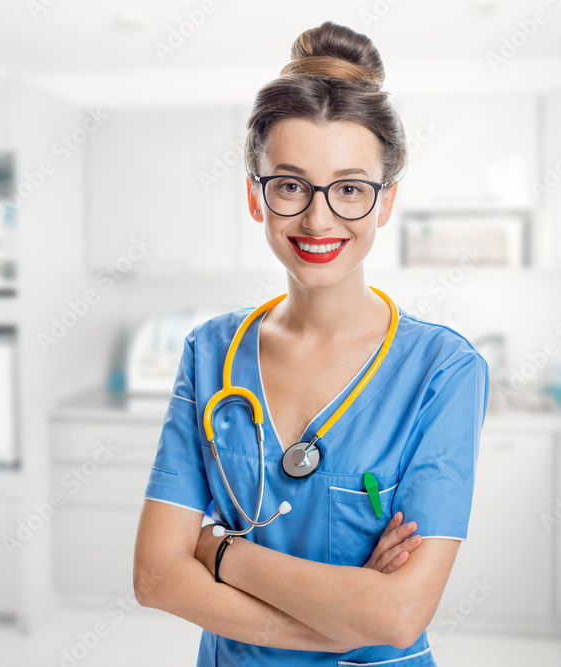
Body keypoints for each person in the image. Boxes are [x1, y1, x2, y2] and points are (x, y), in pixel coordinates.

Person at [133, 20, 489, 666]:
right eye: (291, 185)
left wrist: (218, 551)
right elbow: (155, 575)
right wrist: (342, 620)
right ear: (255, 196)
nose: (318, 219)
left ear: (384, 203)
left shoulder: (445, 368)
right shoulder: (209, 351)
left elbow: (401, 612)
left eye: (350, 189)